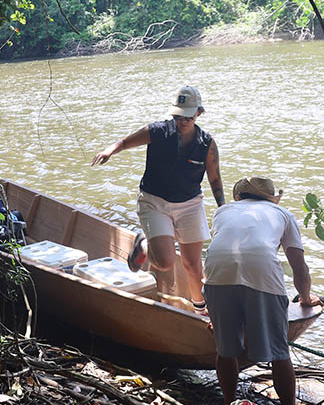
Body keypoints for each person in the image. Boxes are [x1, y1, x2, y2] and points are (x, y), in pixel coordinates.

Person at [91, 85, 224, 313]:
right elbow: (124, 142)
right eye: (178, 116)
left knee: (193, 265)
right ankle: (143, 242)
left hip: (190, 204)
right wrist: (109, 151)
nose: (182, 122)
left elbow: (214, 178)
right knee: (165, 262)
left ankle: (200, 309)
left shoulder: (206, 143)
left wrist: (224, 210)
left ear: (199, 114)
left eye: (188, 117)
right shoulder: (158, 131)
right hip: (155, 201)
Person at [203, 176, 323, 405]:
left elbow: (221, 252)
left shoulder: (223, 211)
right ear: (271, 198)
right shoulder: (282, 214)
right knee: (279, 352)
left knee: (225, 351)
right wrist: (306, 297)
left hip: (216, 277)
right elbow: (299, 266)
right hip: (262, 275)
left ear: (240, 196)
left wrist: (213, 309)